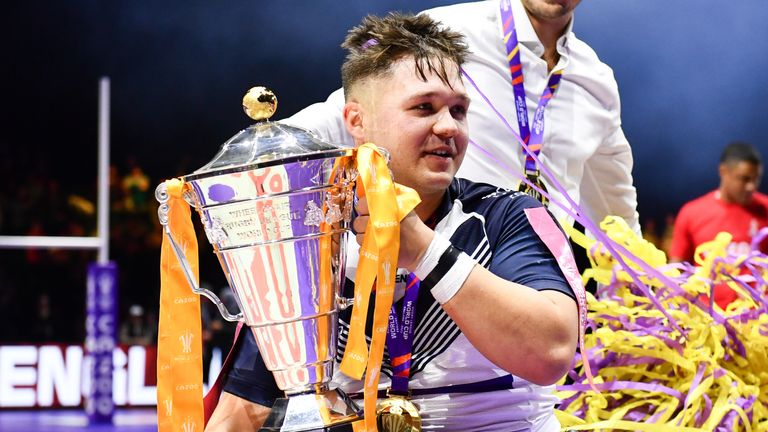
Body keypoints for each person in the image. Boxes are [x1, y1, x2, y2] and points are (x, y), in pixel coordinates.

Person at [206, 12, 581, 431]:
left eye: (459, 110)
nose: (448, 127)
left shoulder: (507, 216)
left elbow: (552, 354)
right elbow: (241, 411)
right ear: (356, 121)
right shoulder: (312, 239)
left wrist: (423, 250)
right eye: (424, 107)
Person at [283, 0, 640, 235]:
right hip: (434, 271)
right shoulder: (448, 30)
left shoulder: (596, 79)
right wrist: (254, 159)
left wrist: (650, 301)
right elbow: (347, 115)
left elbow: (616, 211)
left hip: (534, 284)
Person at [669, 141, 768, 308]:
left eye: (756, 179)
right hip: (707, 323)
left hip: (758, 323)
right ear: (723, 172)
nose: (751, 186)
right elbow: (675, 271)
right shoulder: (692, 212)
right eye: (744, 179)